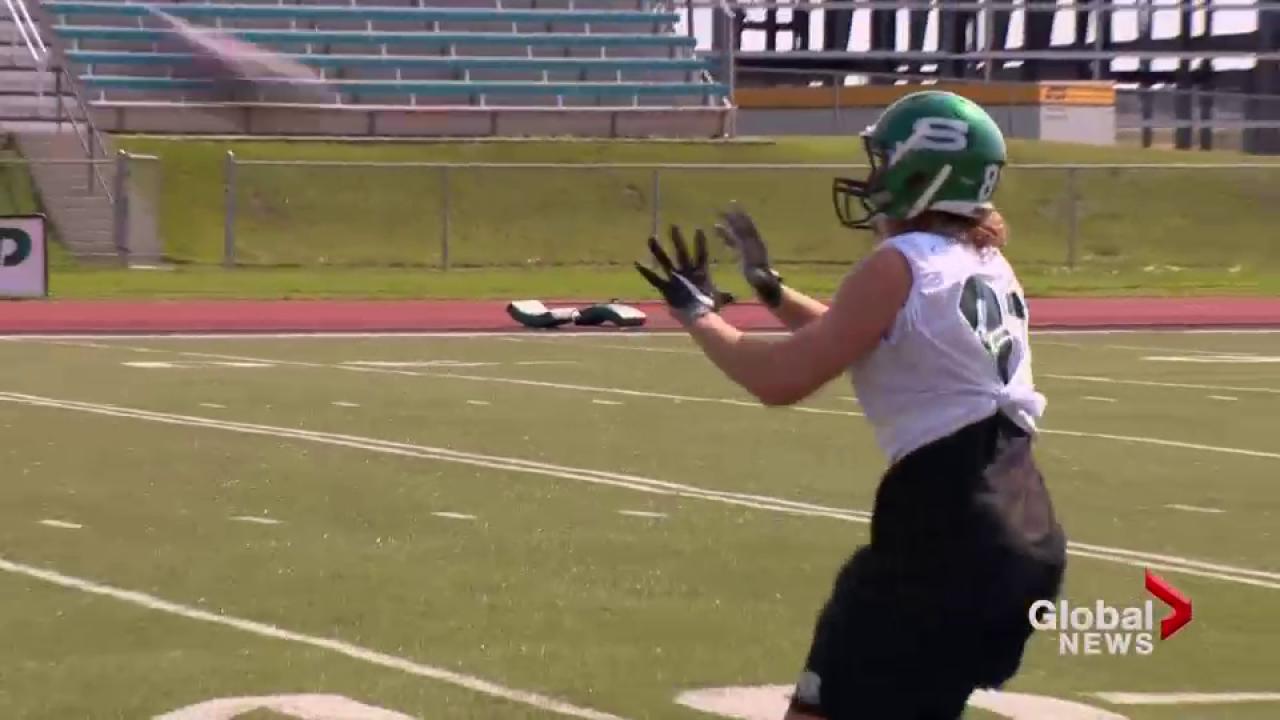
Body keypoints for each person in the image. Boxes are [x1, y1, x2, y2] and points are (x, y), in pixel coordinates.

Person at [635, 90, 1068, 720]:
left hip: (945, 530)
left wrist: (696, 315)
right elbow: (865, 337)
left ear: (924, 172)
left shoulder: (899, 262)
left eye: (886, 160)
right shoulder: (986, 261)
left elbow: (779, 379)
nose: (874, 177)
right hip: (1023, 535)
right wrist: (771, 291)